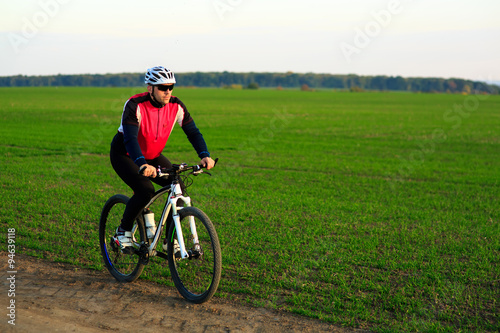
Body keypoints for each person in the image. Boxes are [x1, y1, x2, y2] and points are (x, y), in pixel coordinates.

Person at [110, 66, 215, 250]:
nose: (167, 91)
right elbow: (130, 139)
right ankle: (123, 231)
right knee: (145, 190)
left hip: (153, 156)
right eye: (162, 87)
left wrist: (204, 155)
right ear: (150, 88)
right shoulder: (135, 105)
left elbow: (193, 132)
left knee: (179, 190)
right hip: (125, 154)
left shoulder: (176, 106)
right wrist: (142, 164)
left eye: (171, 87)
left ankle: (169, 240)